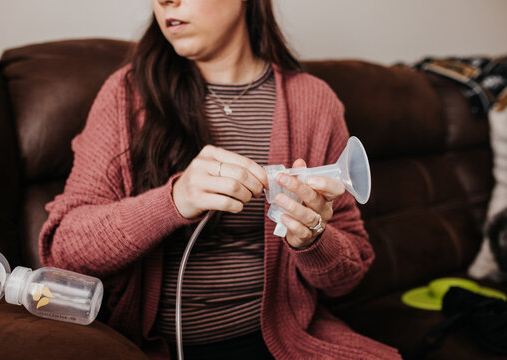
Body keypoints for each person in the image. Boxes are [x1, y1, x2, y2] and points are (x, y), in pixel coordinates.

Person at [39, 0, 401, 359]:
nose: (165, 1)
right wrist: (173, 202)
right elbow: (64, 251)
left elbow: (348, 277)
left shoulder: (314, 102)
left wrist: (312, 239)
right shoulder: (126, 95)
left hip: (282, 339)